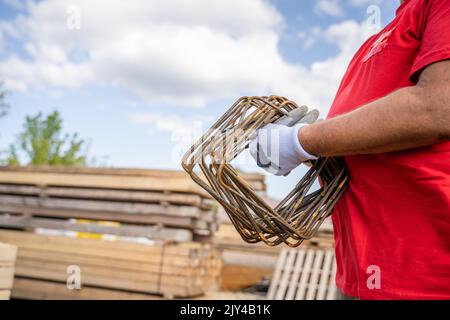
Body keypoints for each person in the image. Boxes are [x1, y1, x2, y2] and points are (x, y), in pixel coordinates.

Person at [250, 0, 450, 299]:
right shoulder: (383, 35)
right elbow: (373, 145)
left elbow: (439, 107)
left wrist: (300, 141)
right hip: (360, 272)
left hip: (427, 280)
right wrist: (309, 147)